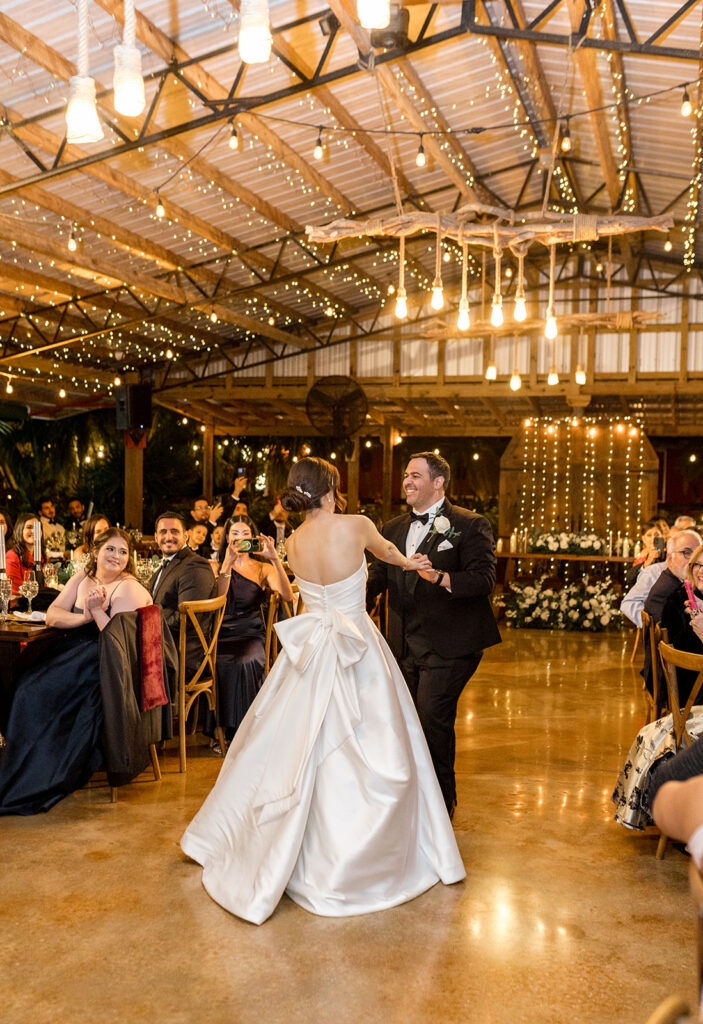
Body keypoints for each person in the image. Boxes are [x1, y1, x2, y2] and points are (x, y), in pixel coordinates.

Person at [180, 456, 465, 925]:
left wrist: (275, 559)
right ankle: (352, 858)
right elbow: (390, 555)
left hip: (311, 650)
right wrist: (411, 562)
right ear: (331, 488)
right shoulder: (357, 524)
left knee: (291, 742)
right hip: (356, 646)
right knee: (374, 742)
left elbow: (296, 598)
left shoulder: (292, 540)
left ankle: (278, 846)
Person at [366, 451, 501, 817]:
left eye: (415, 476)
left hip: (450, 646)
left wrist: (439, 577)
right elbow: (376, 580)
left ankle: (440, 807)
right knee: (406, 723)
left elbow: (484, 580)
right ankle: (412, 800)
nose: (407, 482)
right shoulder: (392, 529)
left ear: (439, 482)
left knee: (431, 720)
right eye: (405, 476)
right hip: (402, 645)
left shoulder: (470, 525)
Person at [0, 529, 153, 815]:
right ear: (96, 551)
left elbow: (116, 642)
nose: (116, 556)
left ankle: (37, 774)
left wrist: (96, 613)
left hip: (103, 663)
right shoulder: (83, 577)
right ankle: (16, 765)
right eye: (110, 549)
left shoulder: (128, 587)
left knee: (35, 692)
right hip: (71, 650)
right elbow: (53, 614)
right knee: (23, 684)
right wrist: (84, 615)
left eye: (123, 552)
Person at [613, 543, 703, 831]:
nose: (701, 570)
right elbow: (683, 653)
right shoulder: (681, 599)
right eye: (698, 564)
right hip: (691, 690)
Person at [209, 515, 293, 747]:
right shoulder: (215, 567)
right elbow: (219, 598)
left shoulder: (262, 568)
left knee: (244, 661)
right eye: (235, 534)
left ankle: (244, 731)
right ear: (227, 538)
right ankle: (222, 731)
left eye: (245, 534)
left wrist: (275, 559)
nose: (240, 539)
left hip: (251, 633)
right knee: (214, 661)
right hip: (221, 633)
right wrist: (227, 564)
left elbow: (287, 595)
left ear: (254, 538)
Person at [149, 511, 217, 671]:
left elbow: (187, 618)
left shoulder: (194, 565)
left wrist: (148, 627)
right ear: (156, 537)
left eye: (174, 531)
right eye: (163, 532)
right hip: (165, 645)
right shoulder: (165, 566)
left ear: (186, 536)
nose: (168, 537)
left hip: (184, 654)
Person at [5, 513, 46, 594]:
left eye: (37, 528)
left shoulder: (41, 556)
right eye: (29, 527)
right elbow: (15, 589)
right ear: (20, 530)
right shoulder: (12, 556)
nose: (34, 531)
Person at [624, 520, 665, 590]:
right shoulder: (641, 556)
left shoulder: (667, 554)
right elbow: (629, 579)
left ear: (662, 536)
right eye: (649, 535)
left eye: (657, 535)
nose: (653, 538)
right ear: (643, 538)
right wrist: (647, 562)